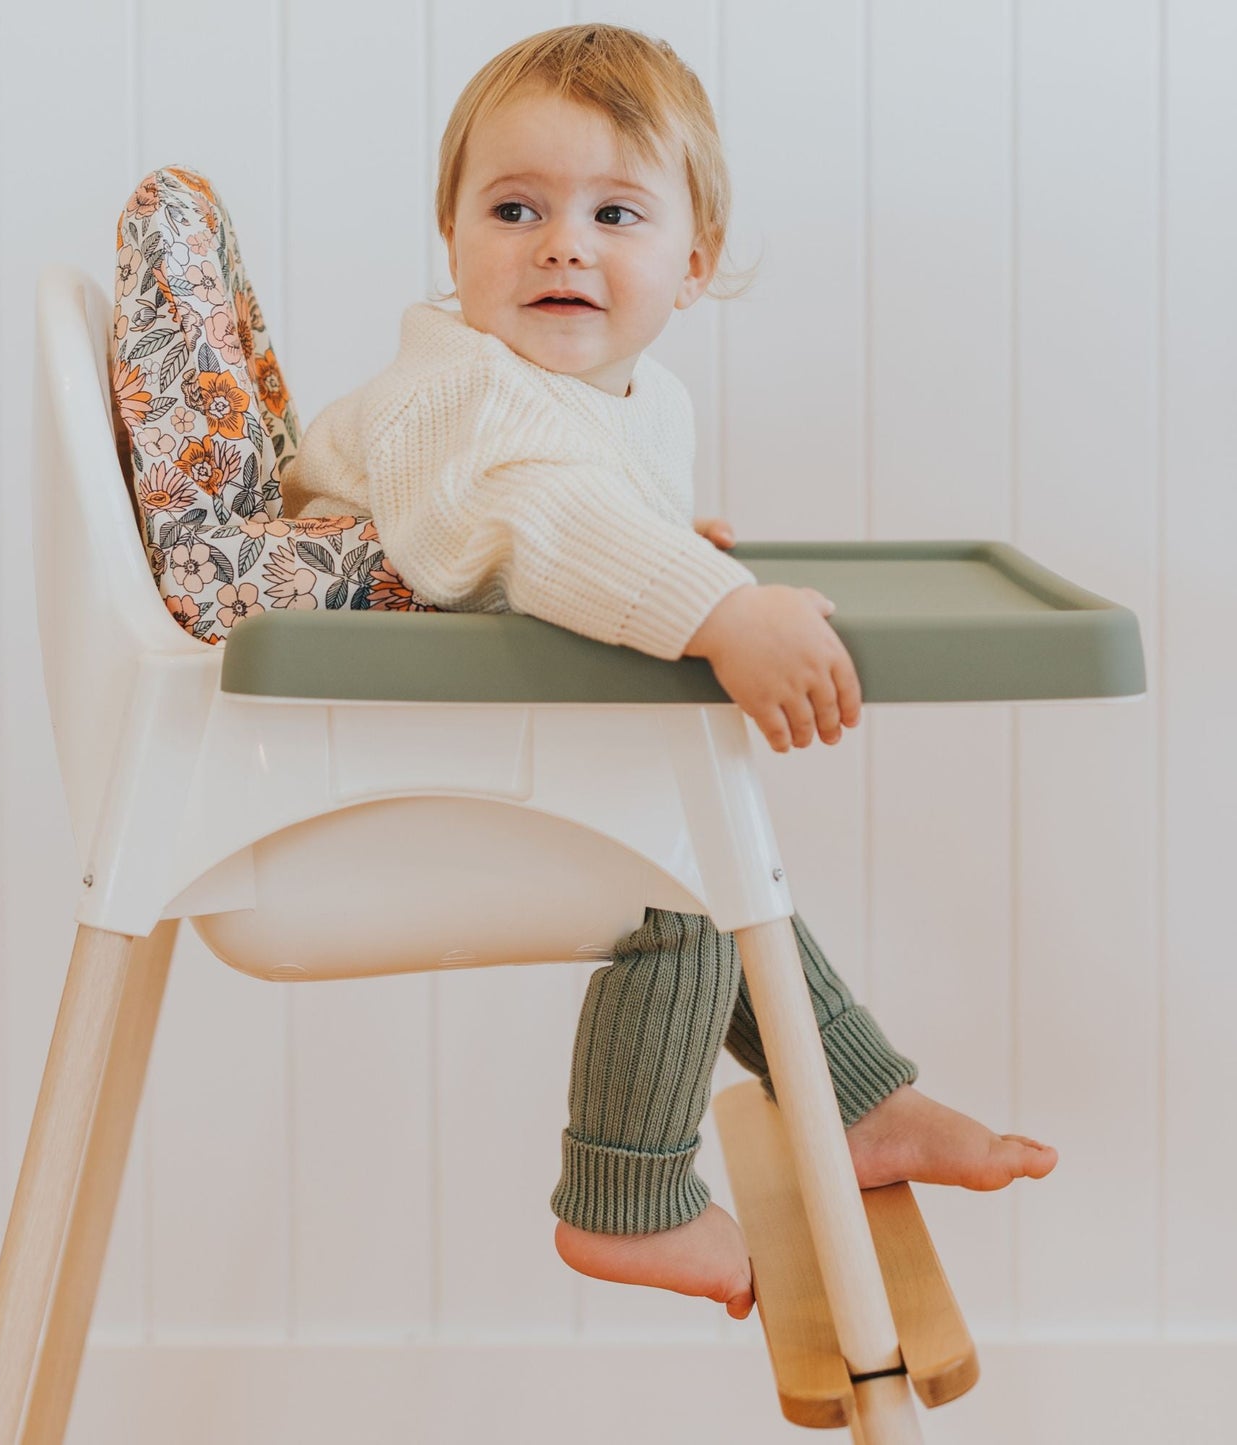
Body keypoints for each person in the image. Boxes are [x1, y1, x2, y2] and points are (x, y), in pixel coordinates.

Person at [281, 22, 1057, 1320]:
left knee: (710, 843)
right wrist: (711, 608)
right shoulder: (471, 396)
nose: (561, 244)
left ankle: (853, 1096)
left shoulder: (621, 394)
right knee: (676, 874)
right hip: (352, 763)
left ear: (691, 263)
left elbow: (573, 517)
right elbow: (534, 521)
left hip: (444, 725)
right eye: (513, 208)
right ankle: (624, 1199)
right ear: (451, 237)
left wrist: (651, 547)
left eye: (614, 212)